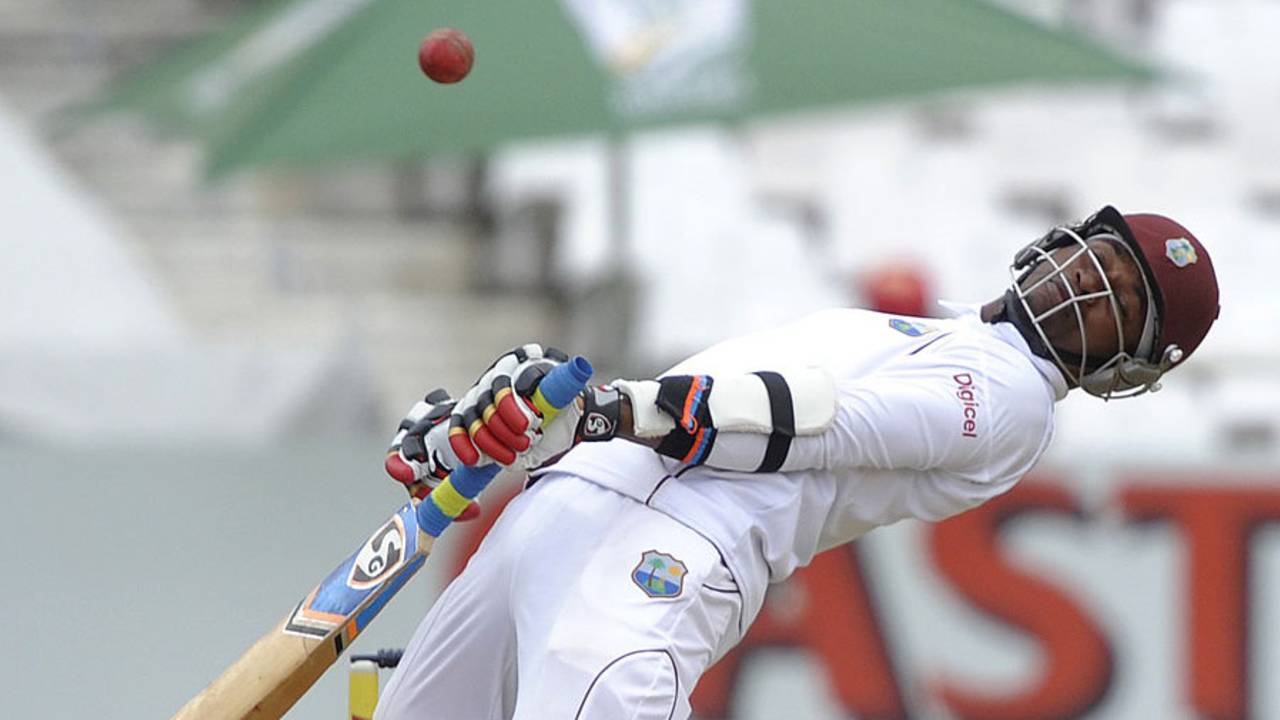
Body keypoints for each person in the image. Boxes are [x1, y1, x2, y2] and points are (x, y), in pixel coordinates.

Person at [373, 206, 1219, 720]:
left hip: (663, 558)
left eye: (1127, 300)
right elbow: (678, 399)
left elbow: (811, 423)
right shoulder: (936, 333)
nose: (1096, 283)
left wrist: (601, 410)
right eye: (1103, 256)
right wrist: (499, 429)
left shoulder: (1012, 399)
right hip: (565, 504)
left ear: (1130, 366)